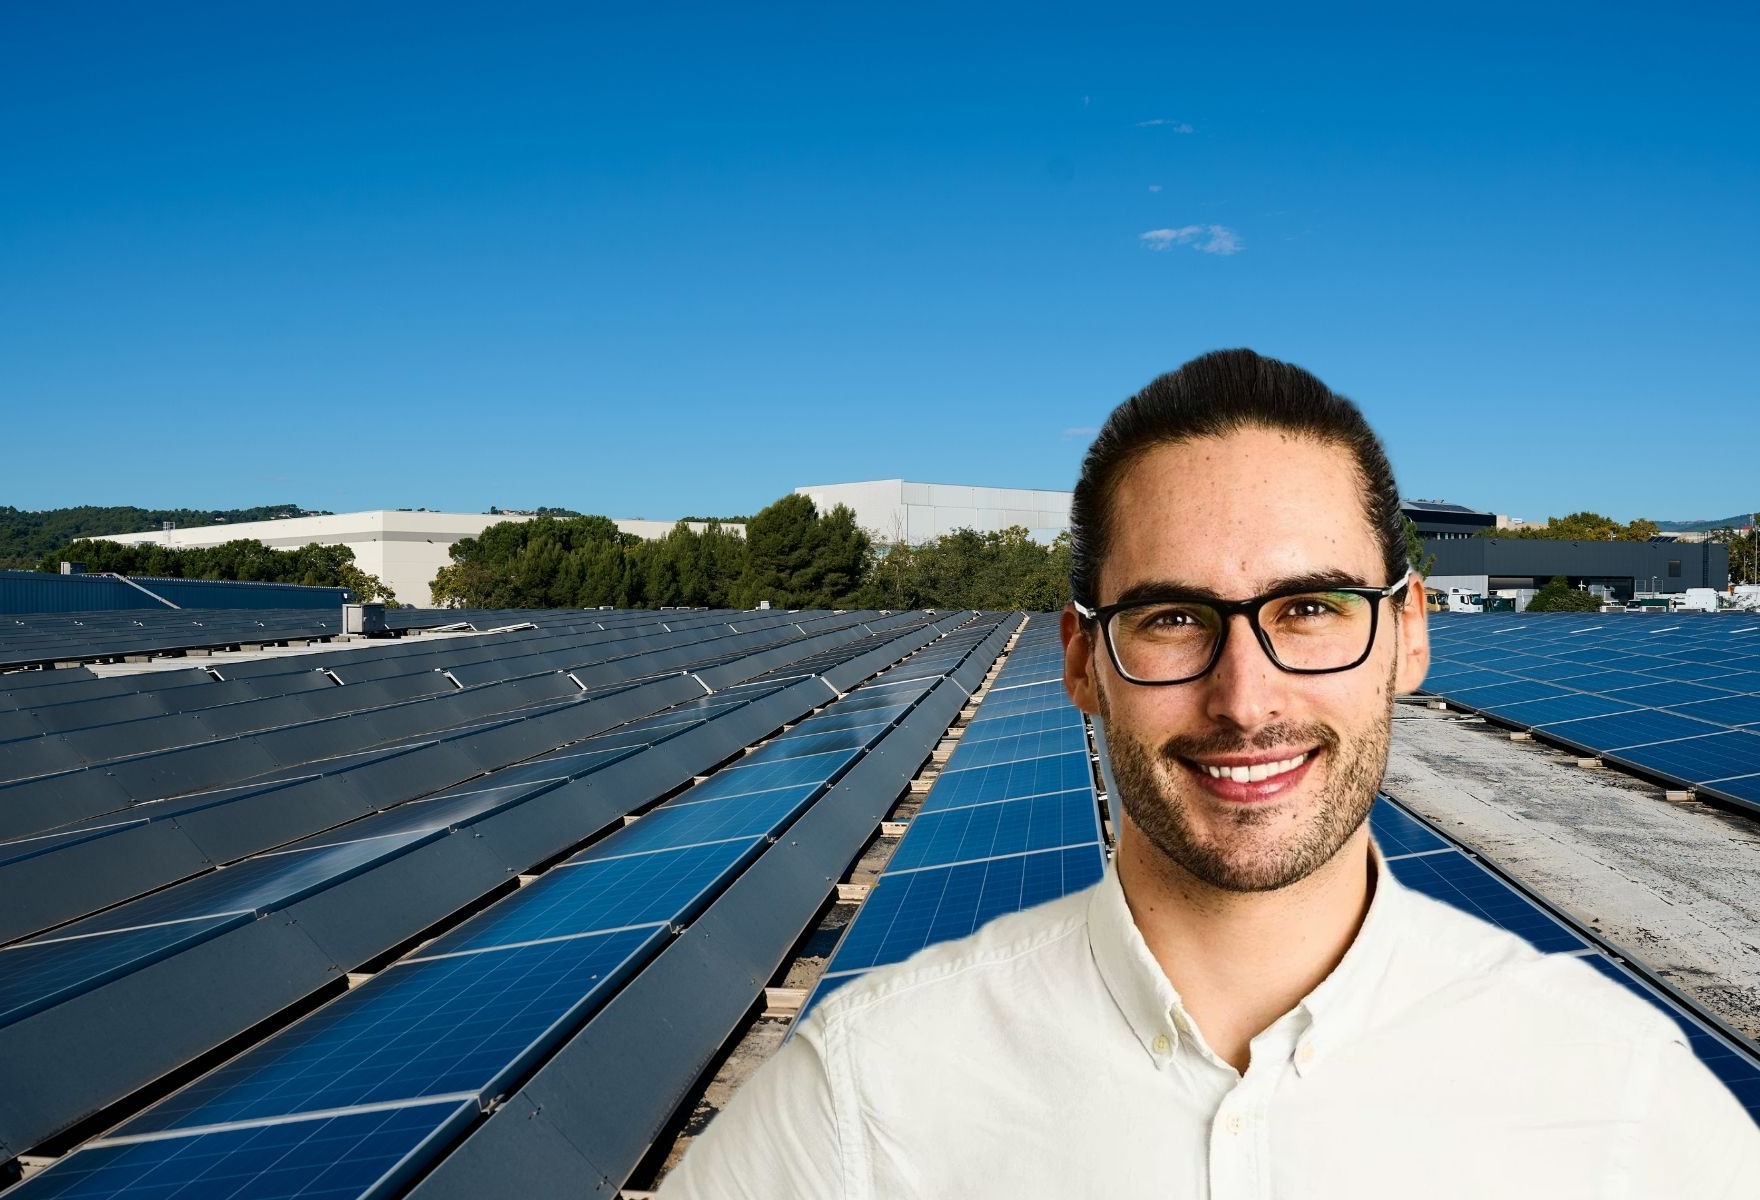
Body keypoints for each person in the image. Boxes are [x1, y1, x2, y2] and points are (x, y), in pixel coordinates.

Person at [661, 349, 1760, 1197]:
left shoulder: (1627, 1103)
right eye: (1174, 617)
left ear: (1411, 633)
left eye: (1311, 608)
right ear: (1084, 659)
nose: (1245, 700)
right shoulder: (863, 1104)